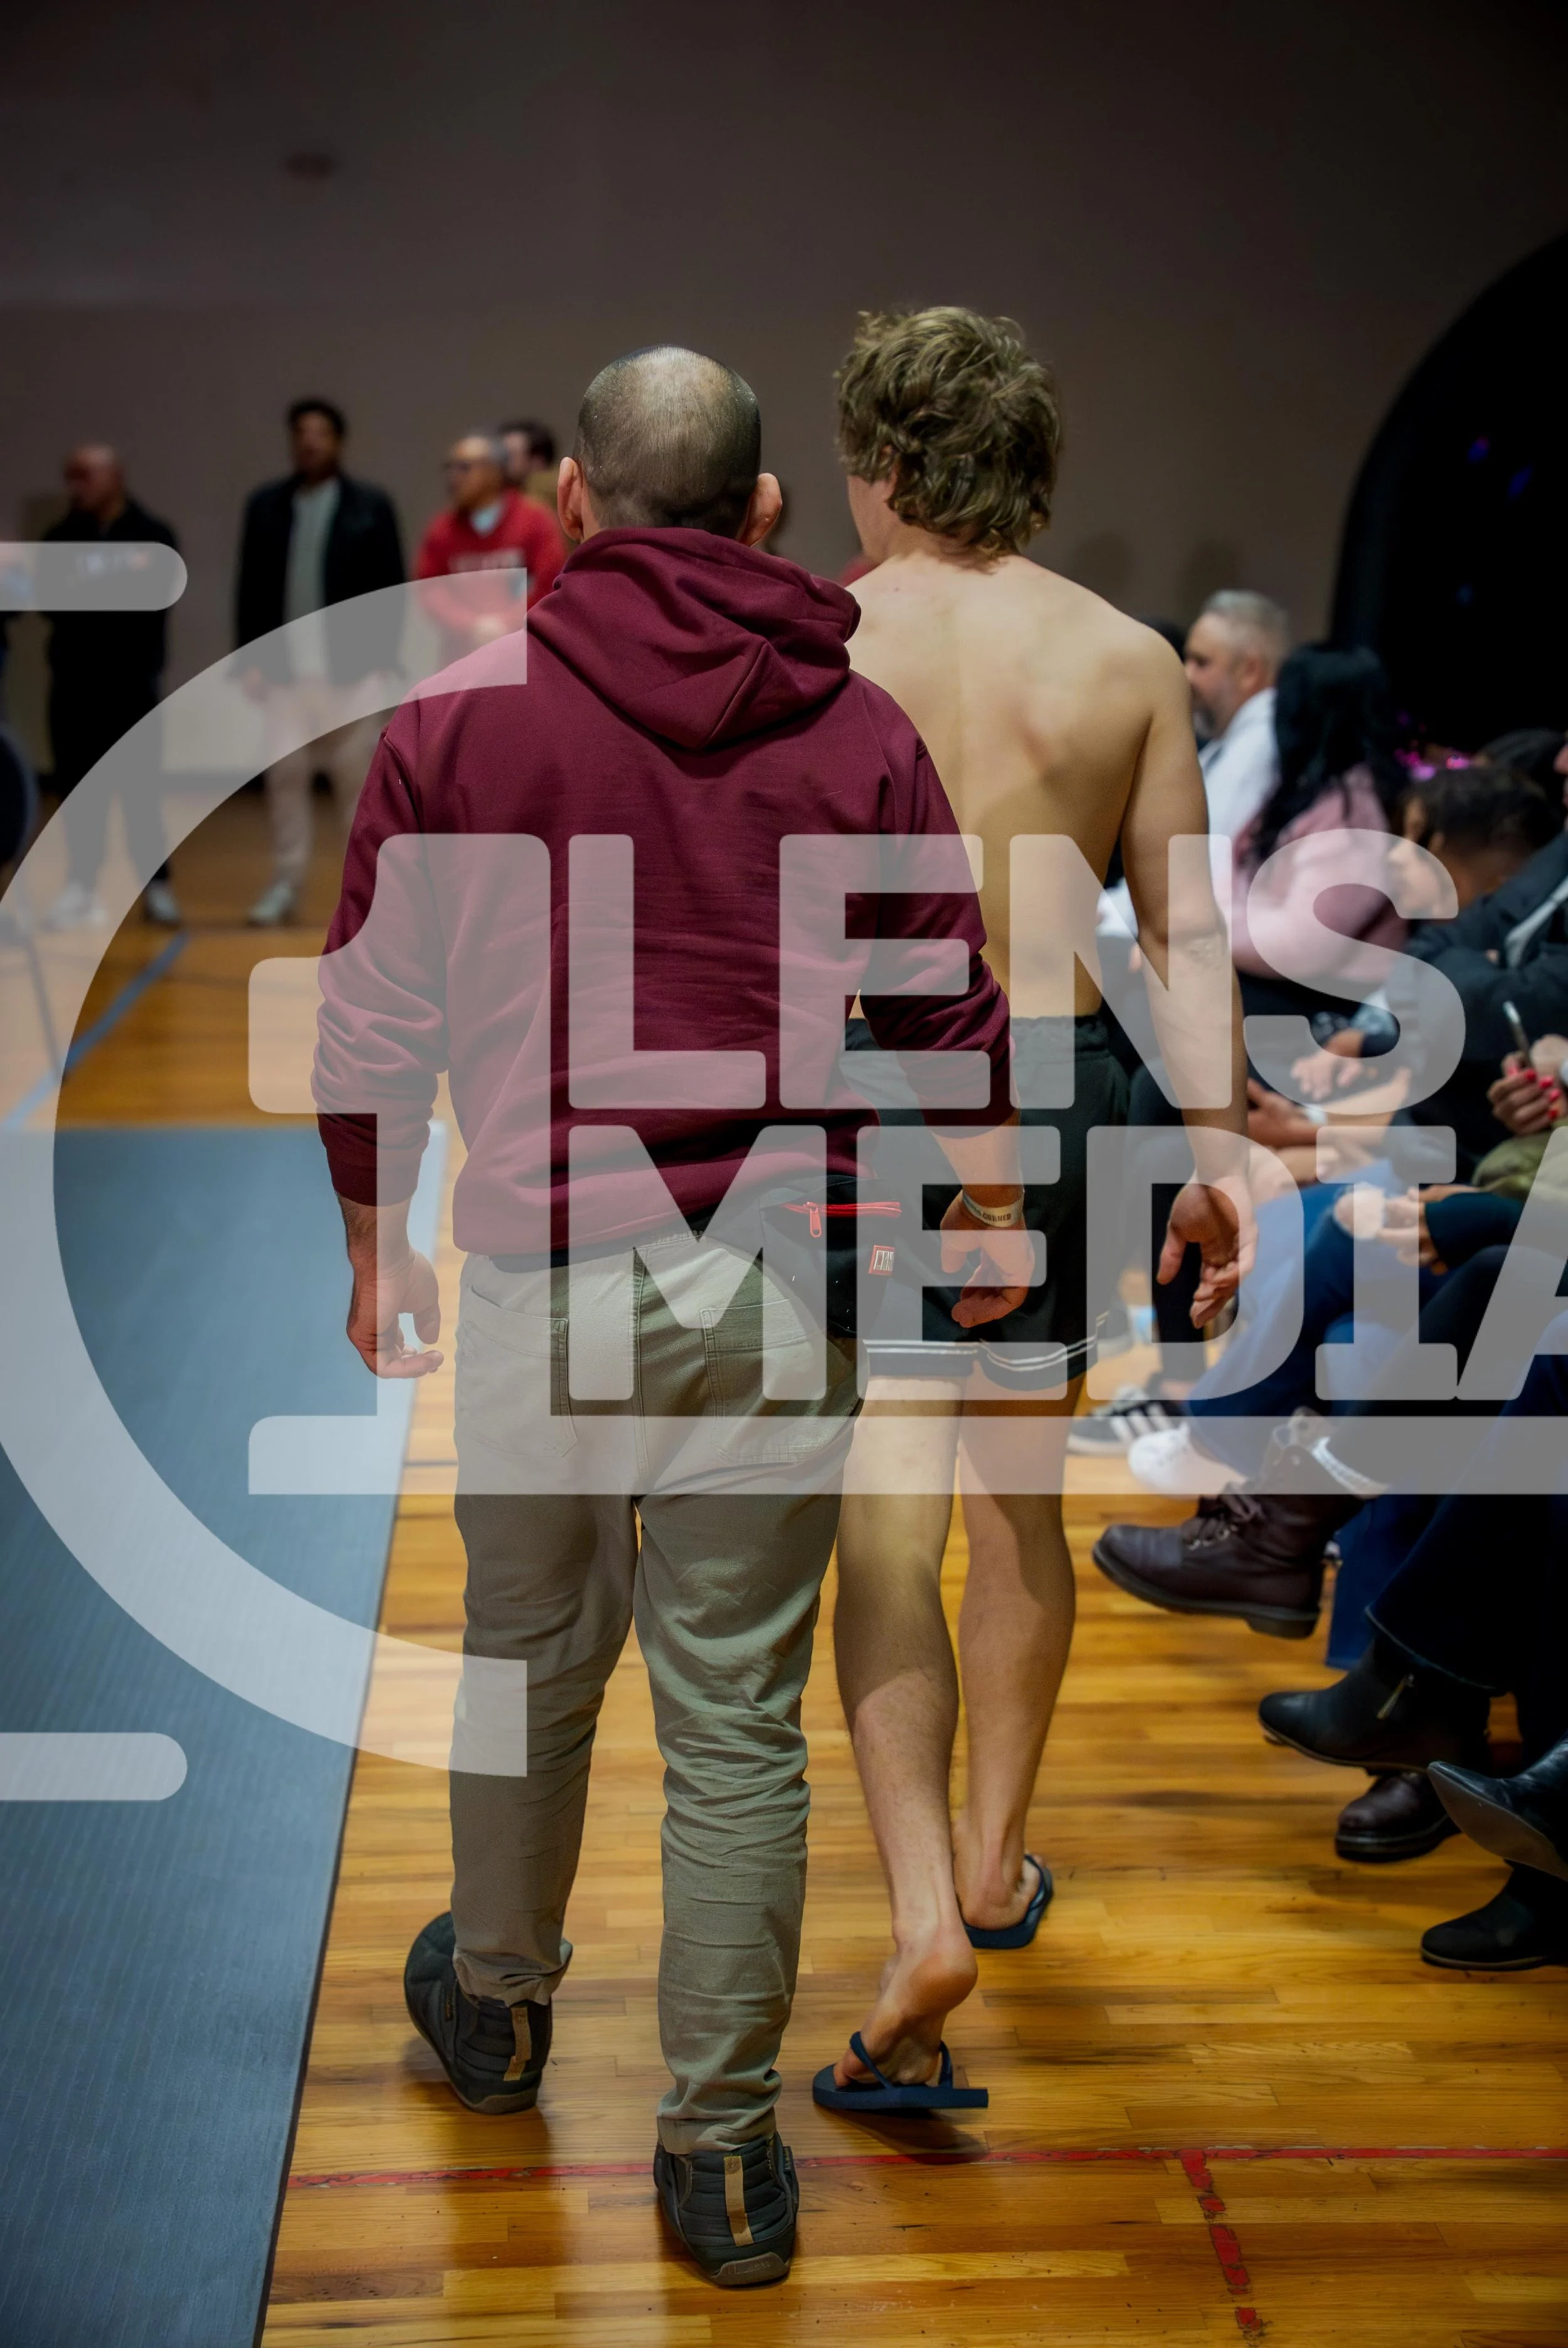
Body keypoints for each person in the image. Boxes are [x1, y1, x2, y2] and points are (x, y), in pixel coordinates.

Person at [314, 344, 1027, 2287]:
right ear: (763, 507)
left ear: (571, 500)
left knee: (527, 1658)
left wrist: (374, 1238)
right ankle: (717, 2151)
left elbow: (368, 1016)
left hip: (545, 1264)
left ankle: (495, 2002)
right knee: (731, 1722)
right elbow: (942, 1004)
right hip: (773, 1269)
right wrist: (987, 1213)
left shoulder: (460, 714)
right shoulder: (853, 719)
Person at [824, 306, 1247, 2102]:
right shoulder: (1125, 655)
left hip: (870, 1078)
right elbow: (1187, 931)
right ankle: (995, 1862)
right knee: (1018, 1506)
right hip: (1057, 1079)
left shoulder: (819, 638)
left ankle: (923, 1907)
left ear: (884, 463)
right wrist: (1218, 1145)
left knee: (884, 1503)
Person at [235, 398, 406, 927]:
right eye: (302, 433)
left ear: (338, 442)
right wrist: (250, 660)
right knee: (285, 781)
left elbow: (392, 589)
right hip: (286, 676)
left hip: (353, 675)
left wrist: (383, 661)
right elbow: (249, 587)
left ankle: (367, 897)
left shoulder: (370, 506)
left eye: (321, 433)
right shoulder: (266, 506)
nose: (310, 442)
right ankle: (285, 885)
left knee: (359, 790)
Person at [40, 444, 181, 930]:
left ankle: (157, 885)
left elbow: (152, 598)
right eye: (71, 476)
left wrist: (92, 588)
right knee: (78, 793)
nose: (76, 486)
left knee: (141, 793)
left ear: (115, 477)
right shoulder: (59, 538)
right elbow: (50, 600)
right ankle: (81, 884)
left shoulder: (154, 535)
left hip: (131, 685)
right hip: (74, 686)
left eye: (86, 476)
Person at [413, 432, 564, 666]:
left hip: (523, 654)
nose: (454, 477)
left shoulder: (535, 521)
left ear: (495, 471)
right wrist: (471, 625)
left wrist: (507, 621)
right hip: (460, 659)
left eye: (464, 468)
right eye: (449, 468)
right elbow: (430, 588)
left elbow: (550, 580)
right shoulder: (442, 529)